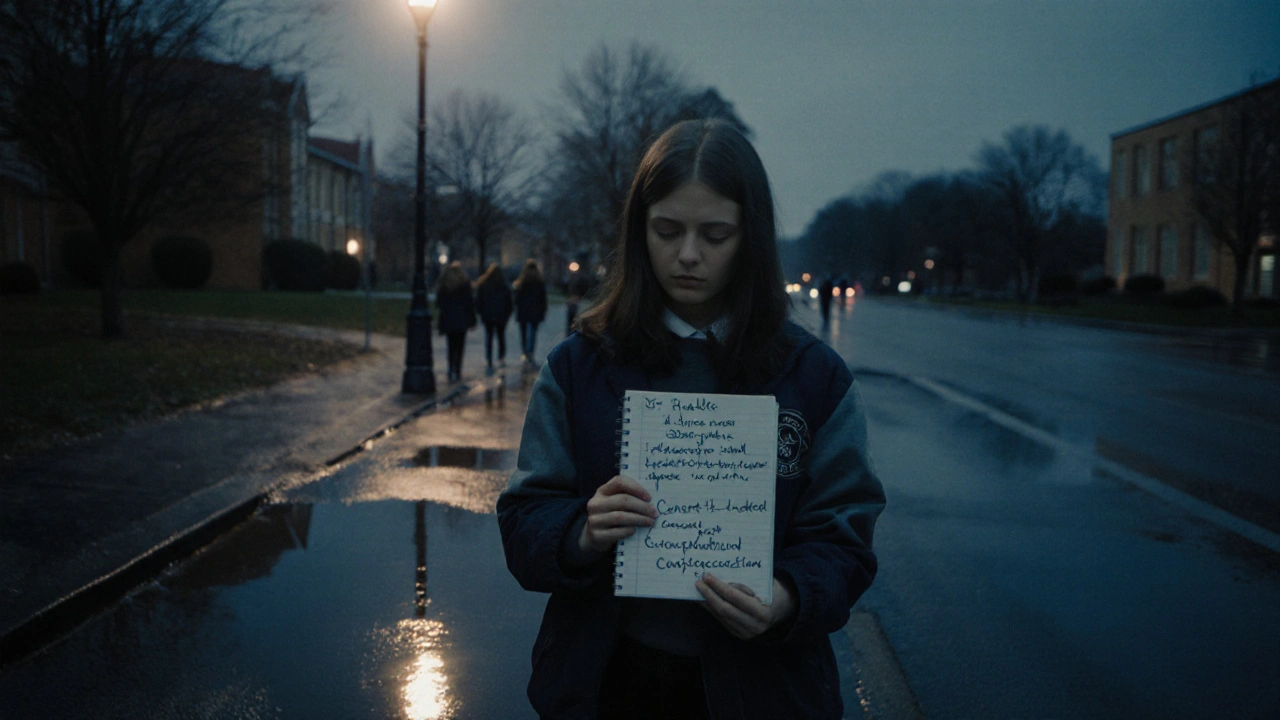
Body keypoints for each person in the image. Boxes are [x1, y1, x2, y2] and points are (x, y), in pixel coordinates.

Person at [496, 119, 885, 720]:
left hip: (763, 693)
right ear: (639, 230)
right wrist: (581, 532)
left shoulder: (814, 379)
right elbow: (524, 518)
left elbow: (845, 540)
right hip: (604, 685)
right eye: (667, 230)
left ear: (750, 238)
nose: (687, 255)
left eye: (715, 234)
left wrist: (787, 596)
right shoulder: (580, 366)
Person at [435, 260, 475, 383]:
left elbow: (439, 302)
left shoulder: (445, 284)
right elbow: (469, 302)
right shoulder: (465, 283)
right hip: (462, 318)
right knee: (460, 345)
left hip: (449, 318)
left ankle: (450, 367)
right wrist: (472, 320)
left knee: (451, 345)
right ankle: (457, 369)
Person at [475, 262, 514, 371]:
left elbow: (479, 301)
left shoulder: (484, 284)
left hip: (488, 315)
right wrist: (508, 313)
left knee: (489, 337)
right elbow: (509, 302)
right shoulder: (504, 285)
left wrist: (481, 312)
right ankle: (501, 357)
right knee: (501, 336)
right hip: (501, 315)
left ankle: (489, 358)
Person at [513, 258, 547, 364]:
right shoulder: (539, 282)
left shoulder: (522, 282)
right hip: (535, 310)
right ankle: (530, 351)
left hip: (523, 311)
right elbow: (543, 299)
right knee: (533, 332)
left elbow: (517, 298)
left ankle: (525, 351)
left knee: (523, 333)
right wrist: (543, 310)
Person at [564, 270, 591, 336]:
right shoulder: (572, 280)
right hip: (573, 299)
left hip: (576, 298)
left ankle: (571, 331)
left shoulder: (579, 280)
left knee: (574, 317)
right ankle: (570, 332)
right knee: (571, 316)